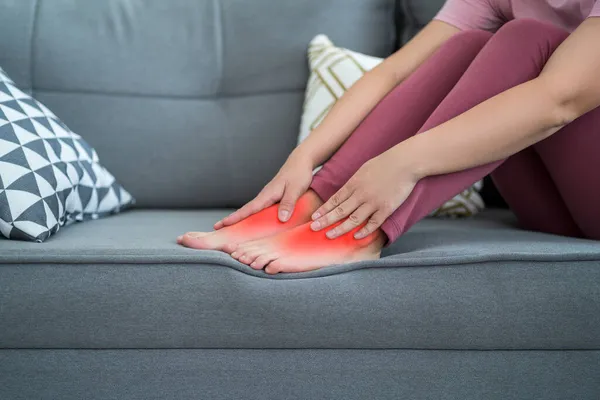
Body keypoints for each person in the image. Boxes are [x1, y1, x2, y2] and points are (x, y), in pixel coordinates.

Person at [178, 0, 600, 275]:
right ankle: (317, 206)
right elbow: (395, 73)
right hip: (552, 209)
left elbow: (556, 101)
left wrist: (402, 162)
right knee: (467, 44)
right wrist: (305, 158)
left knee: (528, 37)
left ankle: (362, 232)